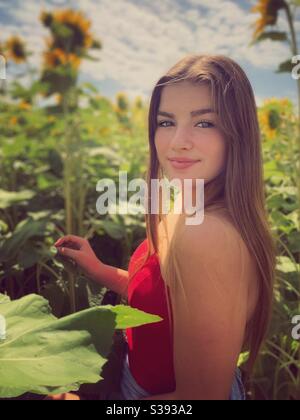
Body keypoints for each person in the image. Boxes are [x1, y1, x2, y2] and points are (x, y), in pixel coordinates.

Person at [50, 54, 277, 400]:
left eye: (204, 123)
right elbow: (163, 302)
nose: (177, 141)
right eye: (166, 122)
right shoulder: (187, 202)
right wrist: (99, 270)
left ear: (238, 133)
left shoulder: (207, 235)